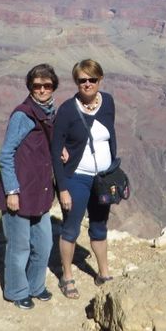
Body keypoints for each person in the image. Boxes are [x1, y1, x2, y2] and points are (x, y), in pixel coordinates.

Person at [0, 63, 59, 309]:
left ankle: (36, 285)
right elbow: (6, 153)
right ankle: (17, 290)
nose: (42, 90)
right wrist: (12, 190)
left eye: (47, 85)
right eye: (37, 86)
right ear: (30, 88)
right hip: (20, 192)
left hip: (40, 192)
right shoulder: (23, 114)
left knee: (44, 244)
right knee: (19, 247)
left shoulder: (49, 112)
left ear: (53, 87)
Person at [51, 58, 116, 299]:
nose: (87, 84)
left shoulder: (108, 102)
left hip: (102, 179)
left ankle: (104, 273)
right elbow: (55, 150)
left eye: (92, 79)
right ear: (76, 82)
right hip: (76, 178)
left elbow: (110, 136)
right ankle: (66, 276)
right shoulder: (68, 110)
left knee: (99, 227)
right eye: (82, 80)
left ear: (100, 80)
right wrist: (63, 189)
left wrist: (112, 168)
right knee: (70, 229)